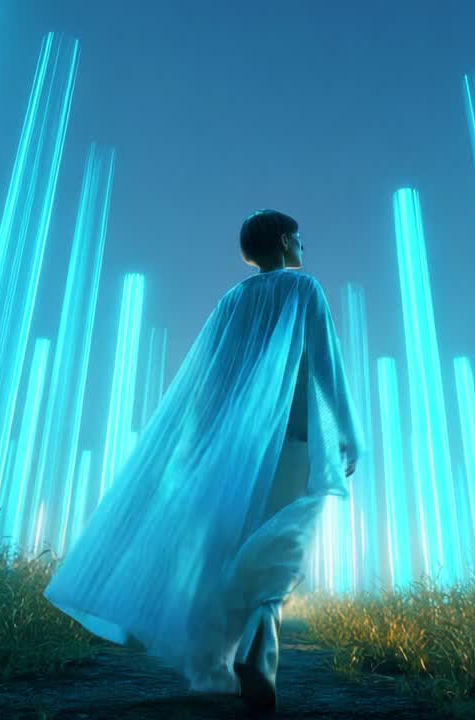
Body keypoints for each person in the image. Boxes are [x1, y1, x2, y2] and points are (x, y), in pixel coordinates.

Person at [44, 209, 362, 713]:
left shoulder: (232, 300)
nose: (304, 247)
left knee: (231, 546)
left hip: (236, 445)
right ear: (283, 241)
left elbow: (210, 380)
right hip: (293, 439)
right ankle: (260, 652)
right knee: (282, 542)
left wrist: (197, 444)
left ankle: (222, 662)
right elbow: (325, 365)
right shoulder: (304, 291)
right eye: (299, 238)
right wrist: (347, 433)